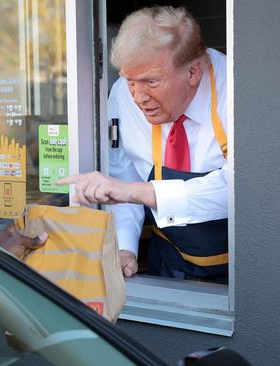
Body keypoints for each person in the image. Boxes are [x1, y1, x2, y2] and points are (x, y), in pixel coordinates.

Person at [55, 6, 229, 282]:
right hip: (168, 262)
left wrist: (137, 192)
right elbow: (124, 178)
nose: (138, 97)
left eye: (151, 81)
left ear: (193, 73)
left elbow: (237, 189)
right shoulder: (123, 96)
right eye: (130, 81)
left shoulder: (234, 91)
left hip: (237, 275)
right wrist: (125, 248)